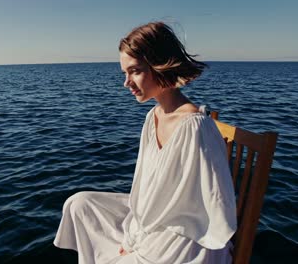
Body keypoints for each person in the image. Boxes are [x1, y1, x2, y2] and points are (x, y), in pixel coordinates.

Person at [53, 21, 237, 264]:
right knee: (79, 204)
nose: (126, 82)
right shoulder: (154, 117)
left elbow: (213, 209)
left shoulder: (196, 128)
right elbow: (144, 187)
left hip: (183, 240)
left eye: (135, 71)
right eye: (125, 73)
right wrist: (133, 236)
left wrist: (142, 242)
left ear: (160, 65)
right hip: (151, 222)